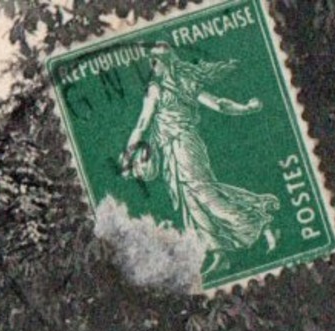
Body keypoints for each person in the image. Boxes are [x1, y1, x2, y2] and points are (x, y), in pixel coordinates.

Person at [118, 42, 280, 276]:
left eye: (154, 62)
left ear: (165, 63)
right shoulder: (169, 85)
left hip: (184, 144)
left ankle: (260, 223)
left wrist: (246, 108)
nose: (151, 67)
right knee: (190, 199)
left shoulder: (168, 86)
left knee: (204, 194)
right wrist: (245, 108)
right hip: (171, 147)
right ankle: (217, 253)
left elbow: (144, 123)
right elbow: (219, 105)